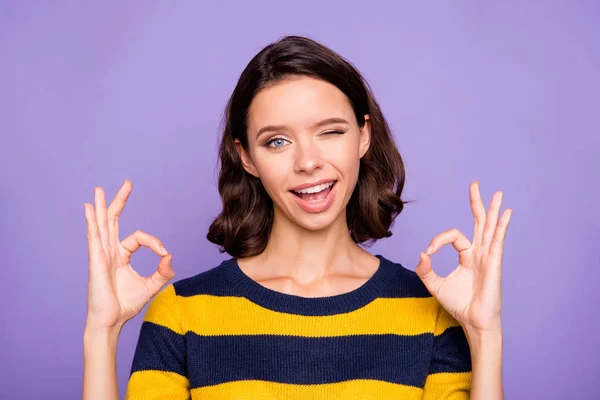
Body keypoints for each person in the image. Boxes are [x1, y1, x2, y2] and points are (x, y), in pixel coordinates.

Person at [82, 35, 512, 400]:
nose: (308, 162)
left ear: (363, 136)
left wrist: (484, 334)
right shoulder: (182, 313)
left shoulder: (431, 312)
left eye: (330, 131)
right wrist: (102, 333)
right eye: (277, 142)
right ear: (246, 156)